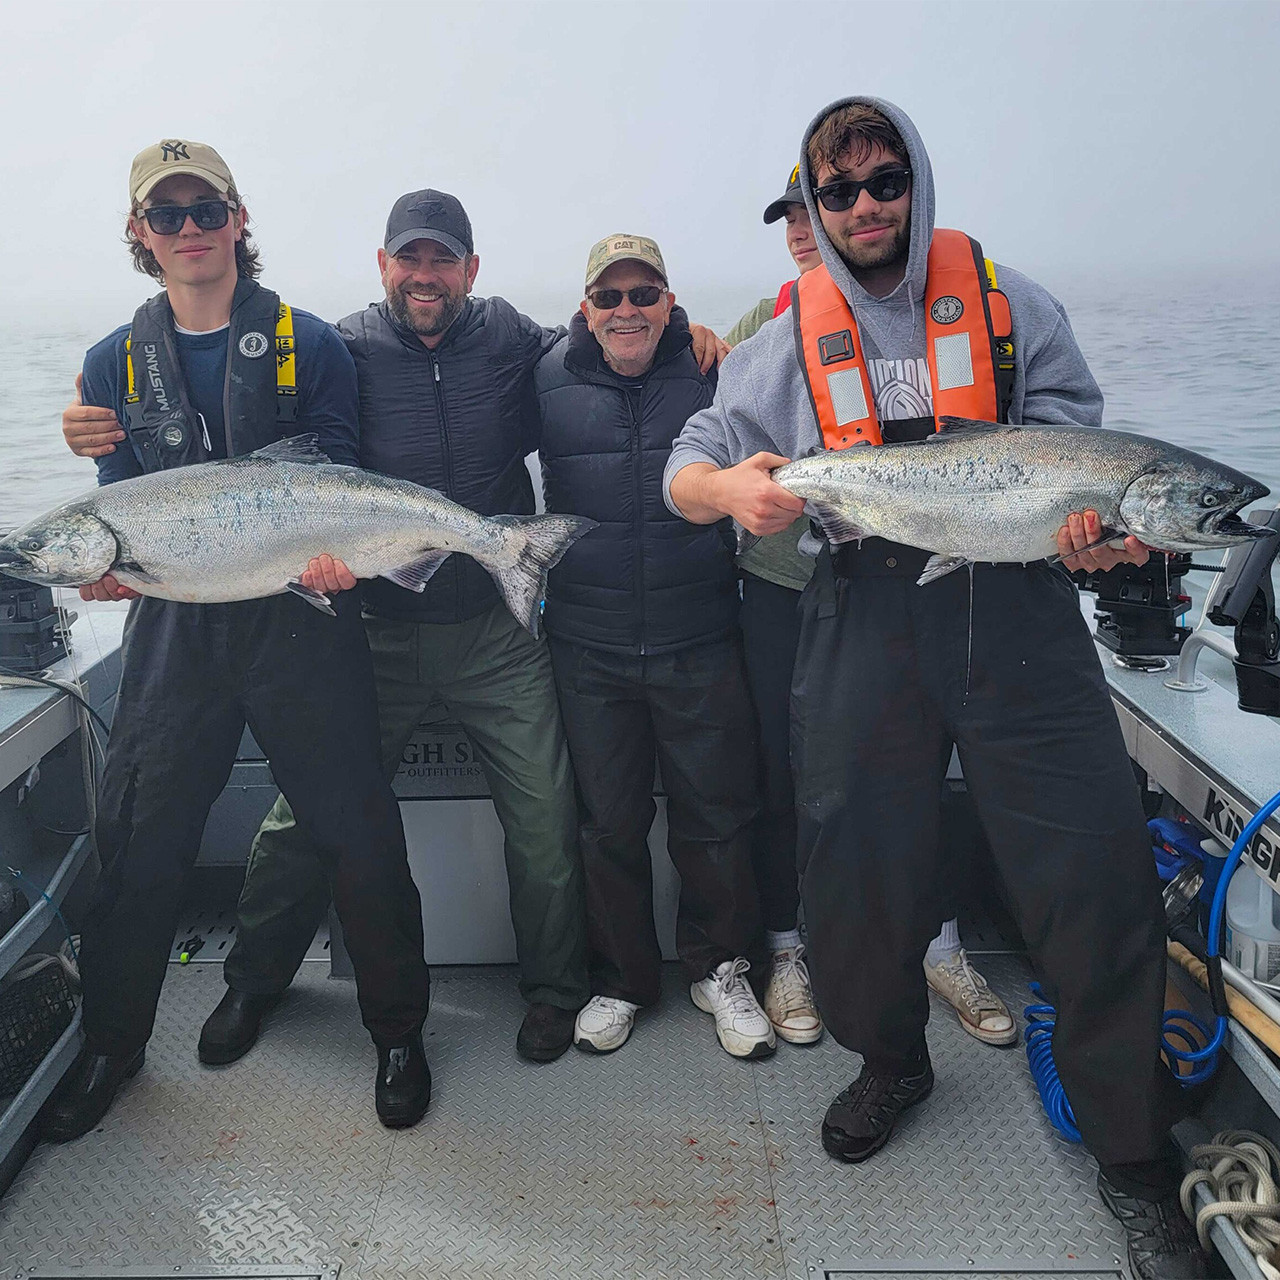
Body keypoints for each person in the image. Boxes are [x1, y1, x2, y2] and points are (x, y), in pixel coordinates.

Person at [666, 99, 1204, 1279]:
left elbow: (1078, 437)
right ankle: (889, 1057)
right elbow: (689, 454)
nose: (865, 205)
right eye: (840, 187)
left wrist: (1091, 533)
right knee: (851, 863)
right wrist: (729, 496)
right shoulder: (782, 337)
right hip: (860, 603)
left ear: (917, 182)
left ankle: (1129, 1151)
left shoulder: (1013, 303)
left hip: (1014, 606)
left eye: (884, 179)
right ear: (813, 203)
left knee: (1093, 869)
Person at [62, 187, 729, 1066]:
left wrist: (697, 337)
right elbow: (267, 467)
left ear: (471, 271)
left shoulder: (515, 339)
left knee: (544, 817)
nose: (425, 275)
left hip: (496, 631)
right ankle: (255, 980)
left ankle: (555, 991)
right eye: (408, 258)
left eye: (442, 259)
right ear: (382, 266)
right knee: (304, 822)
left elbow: (609, 345)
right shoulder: (340, 346)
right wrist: (93, 420)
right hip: (375, 623)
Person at [41, 140, 432, 1142]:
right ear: (139, 233)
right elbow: (122, 510)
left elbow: (339, 472)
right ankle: (112, 1045)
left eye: (202, 208)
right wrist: (103, 565)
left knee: (359, 832)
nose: (186, 229)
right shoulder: (108, 365)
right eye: (163, 215)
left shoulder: (313, 343)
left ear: (237, 218)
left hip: (305, 615)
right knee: (139, 840)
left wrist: (345, 551)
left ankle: (398, 1029)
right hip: (179, 625)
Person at [726, 167, 1014, 1049]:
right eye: (799, 215)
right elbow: (706, 423)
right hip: (784, 591)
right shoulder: (755, 330)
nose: (813, 227)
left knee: (921, 781)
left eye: (835, 206)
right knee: (789, 779)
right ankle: (787, 953)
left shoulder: (936, 310)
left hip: (907, 591)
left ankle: (941, 944)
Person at [537, 235, 773, 1059]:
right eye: (609, 297)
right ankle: (621, 979)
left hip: (700, 634)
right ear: (585, 307)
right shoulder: (545, 374)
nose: (627, 311)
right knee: (608, 825)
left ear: (672, 303)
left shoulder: (715, 369)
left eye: (645, 295)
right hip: (587, 644)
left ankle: (720, 968)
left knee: (716, 817)